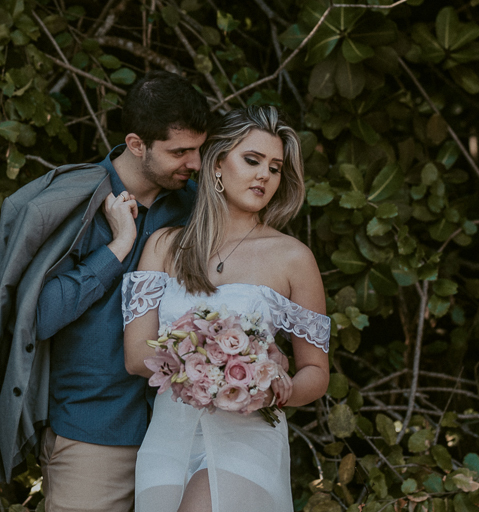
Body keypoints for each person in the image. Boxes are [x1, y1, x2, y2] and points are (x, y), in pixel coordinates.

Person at [0, 70, 210, 512]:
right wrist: (118, 248)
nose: (195, 164)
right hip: (95, 433)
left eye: (199, 149)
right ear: (136, 144)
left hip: (183, 433)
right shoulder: (72, 203)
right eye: (180, 152)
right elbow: (36, 317)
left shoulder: (196, 209)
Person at [121, 106, 330, 512]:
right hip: (168, 437)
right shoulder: (164, 246)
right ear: (217, 164)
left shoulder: (293, 257)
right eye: (252, 160)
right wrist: (206, 364)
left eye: (275, 168)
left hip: (247, 437)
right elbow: (136, 356)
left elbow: (316, 373)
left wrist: (272, 389)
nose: (264, 175)